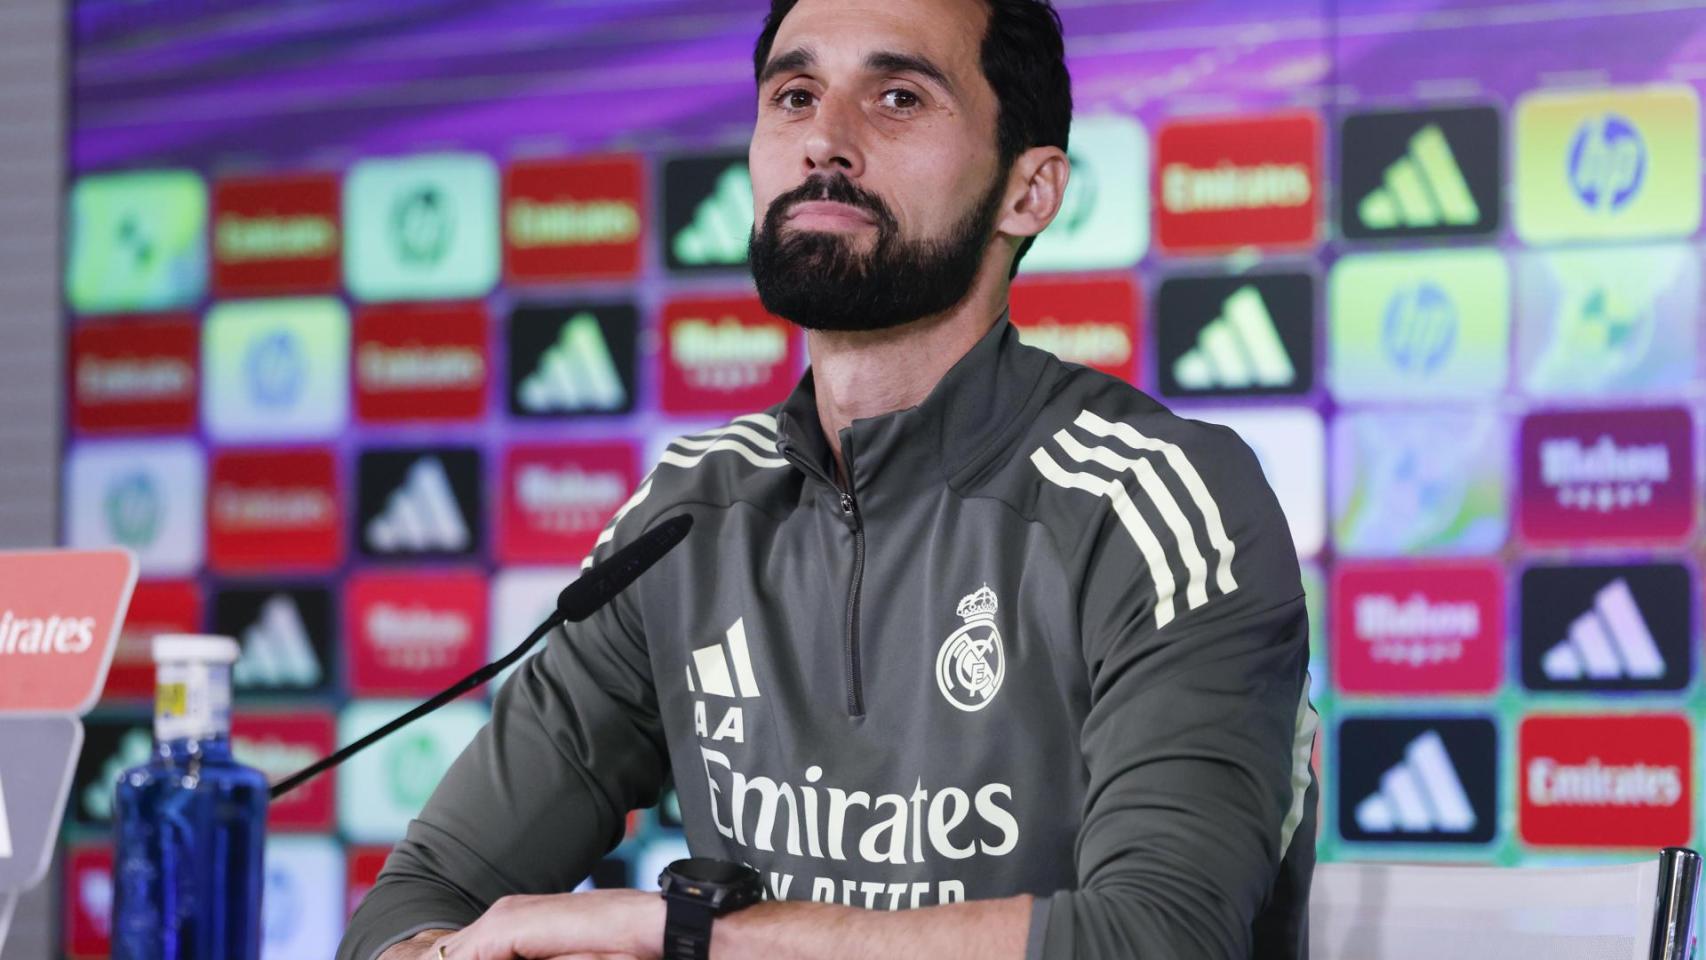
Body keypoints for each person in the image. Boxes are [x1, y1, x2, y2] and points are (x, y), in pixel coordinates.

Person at [339, 0, 1317, 957]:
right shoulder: (689, 515)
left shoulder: (1158, 499)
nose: (825, 142)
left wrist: (684, 938)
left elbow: (1155, 938)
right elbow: (416, 902)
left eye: (897, 98)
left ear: (1029, 191)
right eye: (795, 95)